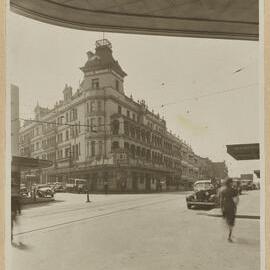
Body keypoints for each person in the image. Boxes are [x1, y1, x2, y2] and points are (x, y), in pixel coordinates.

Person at [220, 178, 239, 242]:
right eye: (232, 182)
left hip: (225, 207)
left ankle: (228, 234)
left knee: (227, 221)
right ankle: (229, 236)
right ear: (230, 183)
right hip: (231, 207)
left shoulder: (223, 191)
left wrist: (221, 208)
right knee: (231, 222)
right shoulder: (234, 190)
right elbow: (236, 200)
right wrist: (235, 206)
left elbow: (221, 201)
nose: (233, 183)